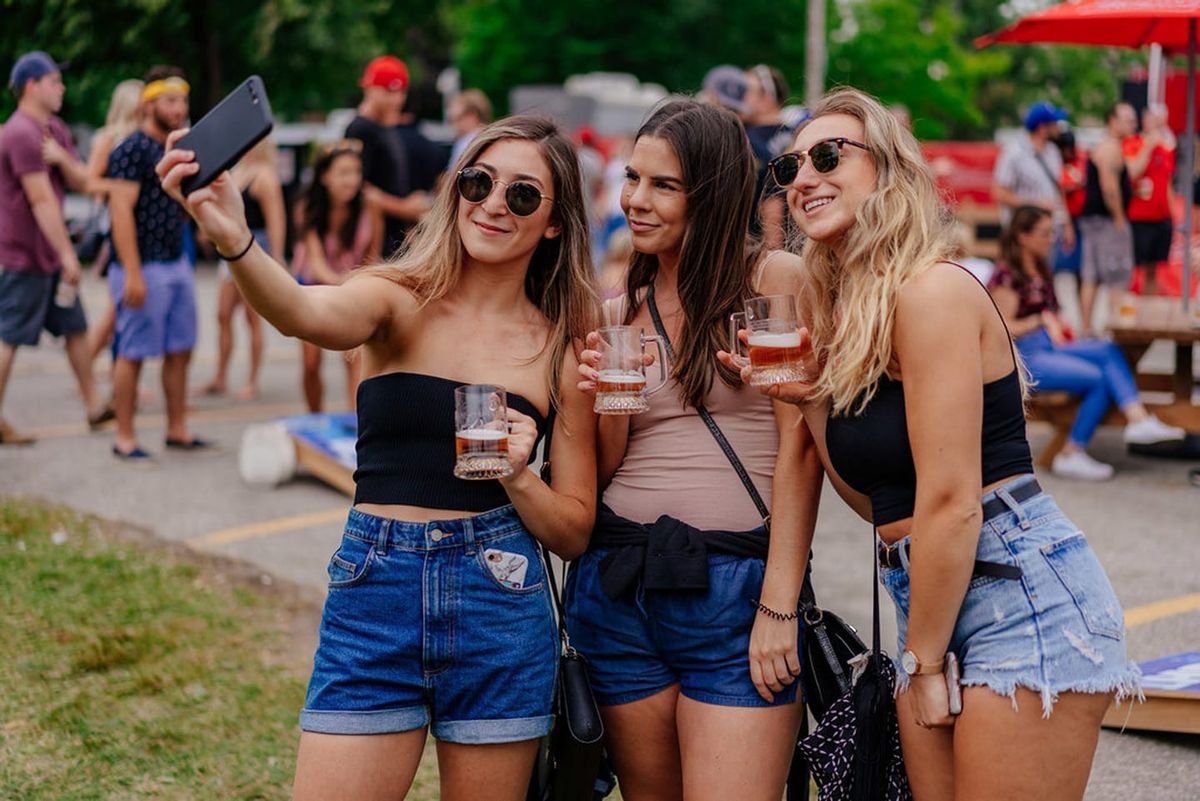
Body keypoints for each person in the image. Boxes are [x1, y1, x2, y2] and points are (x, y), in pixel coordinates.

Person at [158, 115, 599, 801]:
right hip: (376, 588)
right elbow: (304, 314)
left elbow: (573, 529)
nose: (491, 203)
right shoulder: (396, 298)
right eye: (479, 182)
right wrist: (234, 238)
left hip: (499, 598)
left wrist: (516, 473)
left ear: (553, 224)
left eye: (521, 195)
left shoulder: (559, 346)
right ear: (455, 189)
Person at [739, 88, 1140, 800]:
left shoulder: (932, 293)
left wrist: (923, 665)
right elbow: (877, 503)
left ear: (890, 172)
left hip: (1019, 594)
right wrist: (809, 401)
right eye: (791, 165)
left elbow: (954, 503)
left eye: (828, 155)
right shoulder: (854, 317)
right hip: (928, 596)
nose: (803, 177)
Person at [567, 100, 822, 801]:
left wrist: (779, 601)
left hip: (736, 590)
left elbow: (801, 446)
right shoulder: (619, 309)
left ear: (709, 193)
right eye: (631, 178)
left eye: (662, 185)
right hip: (620, 583)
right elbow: (610, 466)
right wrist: (609, 404)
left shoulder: (771, 282)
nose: (634, 201)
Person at [989, 206, 1184, 479]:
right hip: (1026, 358)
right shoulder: (1007, 275)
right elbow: (1001, 326)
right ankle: (1072, 451)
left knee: (1108, 349)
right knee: (1099, 378)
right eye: (1045, 234)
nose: (1051, 239)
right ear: (1023, 236)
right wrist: (1040, 321)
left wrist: (1056, 324)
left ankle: (1137, 418)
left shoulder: (1041, 268)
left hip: (1050, 346)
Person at [0, 51, 110, 445]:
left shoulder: (55, 130)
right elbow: (41, 200)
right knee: (8, 336)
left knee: (76, 329)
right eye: (54, 81)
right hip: (24, 257)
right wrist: (68, 256)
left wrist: (63, 158)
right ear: (32, 86)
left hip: (48, 257)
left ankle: (95, 405)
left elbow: (83, 182)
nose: (61, 87)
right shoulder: (20, 133)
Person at [105, 65, 209, 462]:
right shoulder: (131, 149)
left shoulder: (178, 148)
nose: (179, 107)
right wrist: (132, 271)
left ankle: (176, 428)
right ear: (149, 103)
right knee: (132, 352)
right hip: (141, 266)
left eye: (183, 99)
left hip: (175, 261)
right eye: (170, 100)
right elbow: (120, 213)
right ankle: (125, 437)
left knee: (180, 348)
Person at [290, 140, 383, 412]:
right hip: (313, 286)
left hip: (353, 286)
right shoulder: (307, 207)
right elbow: (317, 266)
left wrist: (358, 288)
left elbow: (372, 257)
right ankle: (314, 416)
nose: (352, 180)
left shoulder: (370, 205)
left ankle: (356, 421)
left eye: (356, 172)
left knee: (354, 357)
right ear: (324, 176)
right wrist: (347, 286)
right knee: (310, 363)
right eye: (343, 172)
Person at [200, 137, 286, 400]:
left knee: (252, 318)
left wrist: (278, 257)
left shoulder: (265, 177)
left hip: (255, 246)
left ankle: (252, 379)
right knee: (223, 314)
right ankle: (220, 376)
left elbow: (276, 219)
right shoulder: (237, 172)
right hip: (231, 246)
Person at [344, 55, 430, 257]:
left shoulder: (387, 128)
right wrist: (405, 208)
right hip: (373, 242)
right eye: (389, 92)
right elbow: (357, 187)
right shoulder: (360, 129)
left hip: (394, 238)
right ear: (369, 89)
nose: (396, 99)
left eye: (401, 92)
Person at [991, 100, 1076, 265]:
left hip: (1050, 231)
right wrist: (1035, 204)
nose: (1058, 127)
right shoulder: (1014, 153)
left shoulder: (1052, 152)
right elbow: (999, 192)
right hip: (1024, 234)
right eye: (1054, 123)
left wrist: (1067, 224)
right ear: (1043, 128)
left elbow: (1059, 191)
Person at [1079, 102, 1137, 335]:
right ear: (1113, 120)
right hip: (1106, 221)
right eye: (1128, 119)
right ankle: (1116, 329)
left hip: (1093, 219)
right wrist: (1119, 218)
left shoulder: (1105, 146)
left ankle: (1086, 328)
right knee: (1117, 273)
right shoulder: (1110, 148)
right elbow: (1109, 187)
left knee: (1091, 275)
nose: (1133, 124)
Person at [1123, 106, 1177, 297]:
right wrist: (1148, 145)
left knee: (1154, 269)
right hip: (1140, 217)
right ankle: (1130, 307)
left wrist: (1173, 214)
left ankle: (1149, 308)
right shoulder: (1133, 143)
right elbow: (1132, 172)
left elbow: (1168, 182)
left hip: (1161, 217)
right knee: (1135, 268)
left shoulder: (1166, 148)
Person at [744, 64, 795, 249]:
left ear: (766, 97)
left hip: (762, 247)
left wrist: (773, 252)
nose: (739, 97)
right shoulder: (798, 135)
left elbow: (773, 200)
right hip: (800, 245)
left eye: (745, 91)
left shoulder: (748, 139)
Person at [448, 88, 492, 167]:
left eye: (458, 118)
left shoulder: (466, 143)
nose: (454, 125)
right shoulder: (493, 138)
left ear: (472, 116)